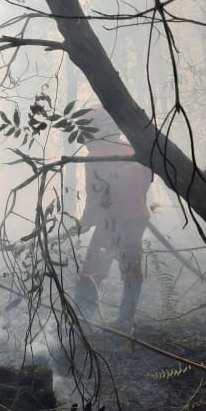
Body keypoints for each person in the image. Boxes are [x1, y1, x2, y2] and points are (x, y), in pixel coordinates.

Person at [75, 106, 152, 332]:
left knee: (93, 268)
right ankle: (126, 319)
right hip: (137, 219)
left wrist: (84, 222)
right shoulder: (133, 150)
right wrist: (136, 204)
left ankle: (83, 321)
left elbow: (94, 196)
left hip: (111, 222)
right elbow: (145, 182)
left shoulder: (95, 157)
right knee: (131, 268)